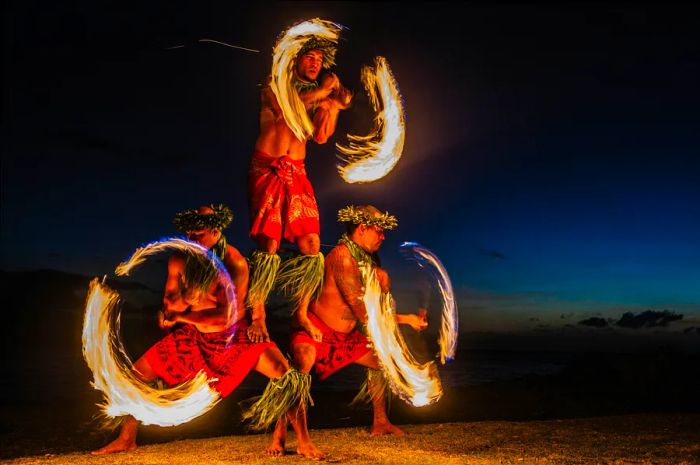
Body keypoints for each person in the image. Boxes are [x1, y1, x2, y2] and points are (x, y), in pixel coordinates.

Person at [93, 205, 321, 459]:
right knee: (137, 374)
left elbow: (227, 315)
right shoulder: (180, 259)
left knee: (286, 376)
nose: (192, 239)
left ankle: (303, 441)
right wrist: (175, 307)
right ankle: (126, 438)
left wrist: (182, 314)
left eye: (198, 234)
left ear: (215, 231)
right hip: (196, 336)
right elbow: (171, 300)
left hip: (236, 338)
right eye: (189, 234)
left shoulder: (234, 262)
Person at [266, 205, 427, 457]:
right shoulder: (343, 257)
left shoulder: (369, 259)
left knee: (379, 363)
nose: (383, 236)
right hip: (315, 329)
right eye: (379, 230)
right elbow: (364, 312)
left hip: (345, 336)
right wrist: (405, 319)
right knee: (299, 373)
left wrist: (384, 285)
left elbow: (376, 304)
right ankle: (290, 437)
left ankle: (380, 422)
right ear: (362, 229)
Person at [246, 34, 352, 345]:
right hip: (268, 169)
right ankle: (258, 315)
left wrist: (334, 107)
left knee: (312, 245)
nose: (315, 63)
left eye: (319, 59)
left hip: (299, 173)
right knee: (269, 244)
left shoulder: (316, 96)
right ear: (295, 60)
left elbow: (320, 136)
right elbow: (286, 111)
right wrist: (326, 92)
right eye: (309, 57)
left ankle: (301, 313)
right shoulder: (274, 84)